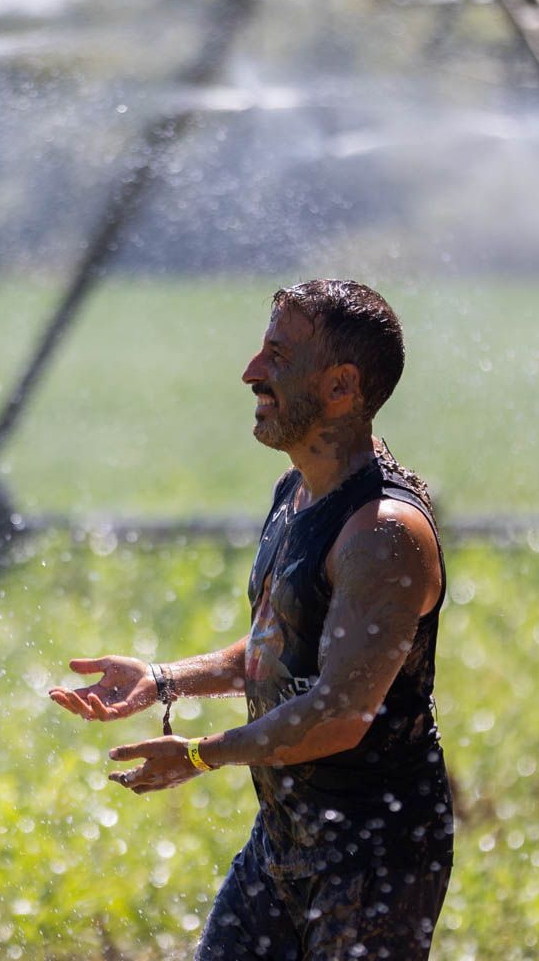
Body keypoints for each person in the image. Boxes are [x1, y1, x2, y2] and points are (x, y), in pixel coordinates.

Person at [49, 279, 453, 960]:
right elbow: (280, 647)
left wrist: (201, 755)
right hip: (285, 840)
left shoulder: (382, 536)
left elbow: (337, 713)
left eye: (278, 355)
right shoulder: (297, 492)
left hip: (374, 857)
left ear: (341, 386)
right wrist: (163, 680)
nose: (251, 372)